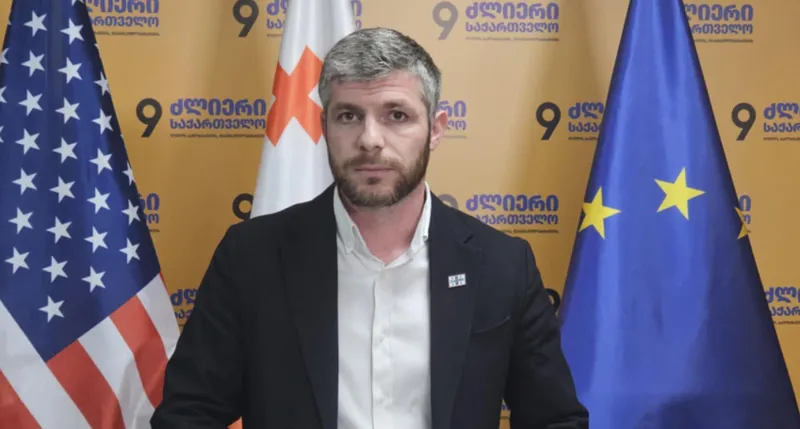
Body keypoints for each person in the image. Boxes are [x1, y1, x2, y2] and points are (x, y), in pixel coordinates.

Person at [151, 27, 589, 429]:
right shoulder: (252, 257)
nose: (370, 140)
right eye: (348, 116)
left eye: (396, 115)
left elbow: (555, 420)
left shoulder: (501, 265)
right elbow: (189, 415)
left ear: (435, 130)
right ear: (324, 127)